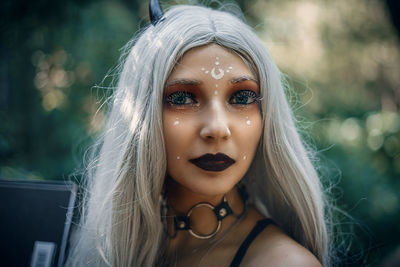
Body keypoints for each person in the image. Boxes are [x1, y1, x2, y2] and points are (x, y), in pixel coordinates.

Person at [66, 1, 333, 266]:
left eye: (242, 97)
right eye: (182, 98)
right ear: (143, 115)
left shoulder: (284, 263)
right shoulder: (110, 247)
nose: (217, 128)